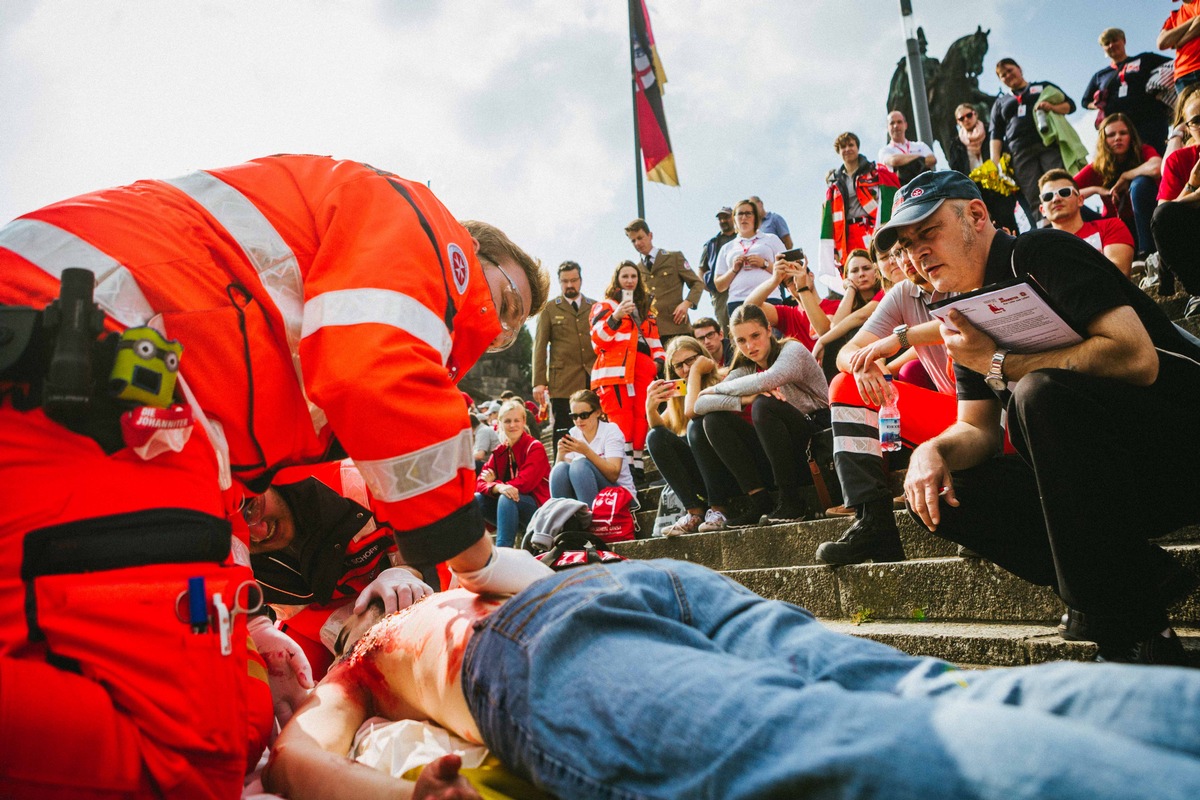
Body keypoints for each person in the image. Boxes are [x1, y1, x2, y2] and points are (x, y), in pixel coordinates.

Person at [0, 154, 553, 797]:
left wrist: (256, 626)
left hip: (98, 390)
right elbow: (375, 375)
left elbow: (222, 499)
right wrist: (473, 556)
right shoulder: (413, 220)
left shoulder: (275, 360)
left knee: (220, 720)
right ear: (464, 247)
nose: (497, 325)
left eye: (512, 328)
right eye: (502, 298)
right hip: (92, 364)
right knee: (190, 747)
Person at [267, 559, 1200, 800]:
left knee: (813, 753)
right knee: (933, 690)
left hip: (536, 641)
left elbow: (300, 759)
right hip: (646, 588)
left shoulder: (381, 642)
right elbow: (300, 756)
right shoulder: (408, 622)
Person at [873, 169, 1200, 665]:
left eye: (928, 232)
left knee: (1038, 394)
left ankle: (1120, 624)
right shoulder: (959, 311)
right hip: (1103, 479)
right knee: (943, 492)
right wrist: (932, 450)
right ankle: (1143, 587)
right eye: (906, 244)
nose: (916, 252)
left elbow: (1136, 358)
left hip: (1177, 439)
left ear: (977, 216)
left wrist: (999, 364)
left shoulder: (1040, 252)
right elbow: (977, 428)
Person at [814, 245, 956, 564]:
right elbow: (846, 352)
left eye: (908, 247)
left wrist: (900, 339)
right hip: (953, 417)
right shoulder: (903, 293)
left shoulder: (965, 269)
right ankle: (874, 524)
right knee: (847, 384)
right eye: (894, 253)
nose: (903, 259)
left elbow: (961, 322)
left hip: (1001, 415)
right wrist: (865, 364)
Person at [247, 464, 437, 690]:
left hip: (412, 588)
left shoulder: (356, 481)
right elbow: (301, 617)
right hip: (318, 625)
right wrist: (352, 639)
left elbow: (433, 547)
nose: (259, 532)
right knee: (290, 685)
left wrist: (406, 572)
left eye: (251, 507)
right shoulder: (243, 565)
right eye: (238, 527)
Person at [694, 303, 830, 526]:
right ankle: (761, 501)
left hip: (814, 438)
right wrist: (744, 399)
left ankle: (791, 502)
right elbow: (700, 405)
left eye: (755, 335)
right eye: (741, 341)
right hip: (779, 448)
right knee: (714, 420)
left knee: (763, 404)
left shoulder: (792, 350)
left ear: (769, 330)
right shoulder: (746, 368)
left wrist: (717, 388)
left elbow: (768, 379)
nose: (750, 346)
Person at [645, 336, 737, 536]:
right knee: (655, 436)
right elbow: (661, 434)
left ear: (702, 357)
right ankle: (694, 512)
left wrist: (696, 372)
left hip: (732, 469)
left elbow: (694, 411)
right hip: (704, 476)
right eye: (678, 366)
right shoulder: (681, 395)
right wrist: (650, 409)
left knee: (696, 426)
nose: (685, 370)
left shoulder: (724, 378)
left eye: (690, 361)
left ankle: (718, 510)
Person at [589, 260, 664, 483]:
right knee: (621, 418)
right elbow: (598, 340)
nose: (630, 280)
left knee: (641, 416)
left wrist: (657, 364)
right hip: (614, 371)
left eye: (633, 276)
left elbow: (656, 343)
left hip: (642, 369)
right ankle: (624, 465)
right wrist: (616, 316)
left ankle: (638, 464)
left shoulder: (646, 310)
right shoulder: (605, 306)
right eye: (625, 276)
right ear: (617, 279)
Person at [990, 58, 1078, 213]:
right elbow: (996, 133)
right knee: (1033, 194)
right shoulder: (1001, 102)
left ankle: (1072, 222)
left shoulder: (1042, 87)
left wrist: (1052, 107)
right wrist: (995, 163)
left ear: (1020, 69)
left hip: (1047, 144)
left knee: (1059, 184)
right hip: (1019, 152)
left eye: (1010, 70)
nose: (1008, 76)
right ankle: (1045, 230)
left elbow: (1070, 106)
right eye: (1003, 75)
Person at [1074, 113, 1163, 261]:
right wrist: (1097, 189)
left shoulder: (1143, 151)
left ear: (1131, 136)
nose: (1117, 138)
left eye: (1123, 133)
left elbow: (1157, 167)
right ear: (1104, 140)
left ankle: (1147, 253)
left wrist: (1126, 176)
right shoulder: (1097, 167)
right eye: (1111, 135)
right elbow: (1064, 190)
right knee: (1072, 204)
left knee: (1140, 183)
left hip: (1143, 221)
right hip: (1113, 226)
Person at [531, 260, 596, 459]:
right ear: (560, 282)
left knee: (596, 425)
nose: (570, 285)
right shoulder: (550, 309)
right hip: (563, 382)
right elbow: (540, 346)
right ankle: (561, 470)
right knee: (564, 430)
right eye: (565, 281)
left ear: (581, 280)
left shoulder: (594, 306)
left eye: (573, 280)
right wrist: (539, 383)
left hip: (593, 376)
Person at [474, 399, 551, 550]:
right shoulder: (500, 451)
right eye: (507, 421)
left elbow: (524, 483)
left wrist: (496, 485)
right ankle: (474, 550)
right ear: (501, 424)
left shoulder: (535, 447)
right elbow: (479, 483)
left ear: (523, 421)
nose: (512, 425)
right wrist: (498, 488)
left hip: (538, 508)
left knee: (507, 496)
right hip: (510, 506)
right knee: (476, 499)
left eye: (517, 420)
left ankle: (504, 552)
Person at [1083, 27, 1172, 156]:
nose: (1111, 45)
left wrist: (1163, 91)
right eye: (1107, 43)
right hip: (1120, 128)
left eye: (1114, 40)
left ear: (1123, 41)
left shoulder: (1145, 59)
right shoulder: (1100, 75)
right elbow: (1085, 101)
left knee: (1155, 156)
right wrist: (1097, 104)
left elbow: (1174, 65)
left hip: (1150, 121)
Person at [824, 131, 900, 271]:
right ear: (839, 152)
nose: (847, 149)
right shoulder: (835, 183)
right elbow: (829, 217)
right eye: (843, 147)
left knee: (878, 265)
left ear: (857, 147)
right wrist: (833, 246)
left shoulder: (875, 172)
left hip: (871, 227)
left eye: (851, 145)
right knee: (854, 270)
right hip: (846, 235)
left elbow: (890, 193)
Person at [624, 218, 705, 346]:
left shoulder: (674, 258)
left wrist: (687, 303)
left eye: (640, 238)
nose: (637, 243)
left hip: (676, 327)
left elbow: (697, 283)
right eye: (633, 241)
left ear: (650, 236)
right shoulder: (636, 270)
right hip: (652, 334)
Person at [1039, 170, 1135, 276]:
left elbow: (1118, 274)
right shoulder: (1042, 252)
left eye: (1065, 192)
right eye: (1047, 197)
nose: (1056, 199)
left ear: (1080, 200)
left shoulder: (1110, 227)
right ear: (1042, 210)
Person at [550, 389, 636, 506]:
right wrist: (560, 455)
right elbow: (562, 477)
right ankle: (564, 520)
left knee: (579, 465)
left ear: (597, 412)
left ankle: (592, 520)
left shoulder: (610, 430)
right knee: (559, 469)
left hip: (620, 495)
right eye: (574, 416)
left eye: (584, 415)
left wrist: (587, 452)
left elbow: (613, 474)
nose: (579, 421)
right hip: (588, 493)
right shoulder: (574, 432)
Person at [1154, 83, 1200, 295]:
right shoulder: (1180, 160)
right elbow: (1162, 216)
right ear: (1188, 128)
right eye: (1197, 121)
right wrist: (1192, 185)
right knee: (1165, 215)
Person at [812, 249, 885, 379]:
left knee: (853, 330)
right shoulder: (849, 302)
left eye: (866, 268)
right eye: (854, 271)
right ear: (847, 277)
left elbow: (861, 316)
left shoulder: (885, 291)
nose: (861, 274)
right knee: (834, 342)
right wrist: (850, 289)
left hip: (886, 349)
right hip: (857, 358)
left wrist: (822, 341)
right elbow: (835, 326)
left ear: (876, 270)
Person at [742, 254, 834, 353]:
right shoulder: (788, 314)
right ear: (788, 290)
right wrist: (774, 280)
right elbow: (748, 308)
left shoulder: (837, 305)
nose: (796, 281)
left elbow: (826, 333)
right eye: (790, 280)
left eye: (798, 274)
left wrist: (802, 289)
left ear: (811, 276)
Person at [714, 198, 787, 317]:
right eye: (740, 214)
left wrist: (764, 264)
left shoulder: (771, 239)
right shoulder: (727, 248)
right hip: (737, 301)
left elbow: (787, 270)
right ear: (734, 218)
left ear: (756, 217)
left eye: (748, 213)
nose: (744, 217)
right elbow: (719, 286)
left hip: (769, 298)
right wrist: (733, 270)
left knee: (773, 335)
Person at [698, 206, 738, 330]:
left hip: (742, 286)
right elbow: (701, 268)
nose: (722, 221)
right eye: (720, 219)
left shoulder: (741, 238)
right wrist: (708, 287)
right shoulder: (712, 243)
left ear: (733, 218)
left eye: (726, 217)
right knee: (726, 327)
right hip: (721, 292)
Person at [877, 110, 937, 185]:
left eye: (899, 122)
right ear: (887, 128)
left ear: (905, 125)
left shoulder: (920, 145)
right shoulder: (884, 151)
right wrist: (920, 158)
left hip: (924, 186)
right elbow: (894, 161)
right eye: (892, 123)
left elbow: (932, 160)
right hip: (901, 190)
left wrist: (903, 161)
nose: (896, 126)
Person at [1160, 1, 1200, 91]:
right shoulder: (1174, 16)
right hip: (1183, 75)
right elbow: (1162, 42)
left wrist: (1180, 42)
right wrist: (1193, 19)